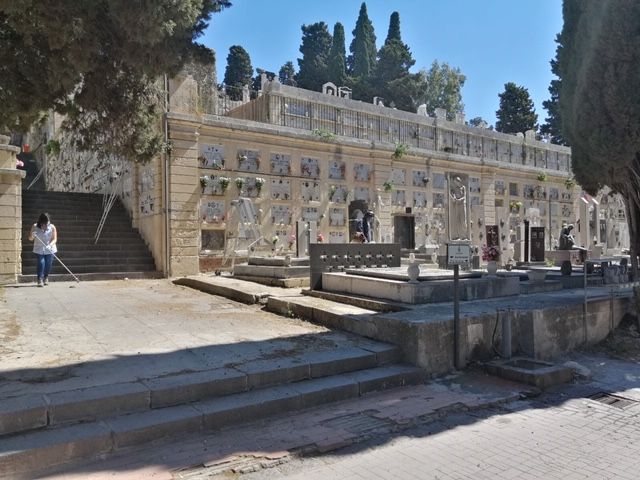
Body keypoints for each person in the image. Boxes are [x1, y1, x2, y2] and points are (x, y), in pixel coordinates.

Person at [28, 213, 57, 287]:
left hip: (50, 248)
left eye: (47, 223)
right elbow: (30, 239)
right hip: (39, 248)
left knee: (48, 263)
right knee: (41, 262)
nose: (45, 225)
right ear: (40, 222)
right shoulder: (35, 226)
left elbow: (54, 239)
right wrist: (32, 236)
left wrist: (50, 245)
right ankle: (39, 279)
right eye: (44, 223)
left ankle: (46, 277)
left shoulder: (52, 227)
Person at [448, 176, 468, 240]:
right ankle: (458, 236)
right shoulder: (455, 188)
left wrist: (459, 200)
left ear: (459, 181)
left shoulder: (463, 188)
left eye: (457, 182)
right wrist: (454, 198)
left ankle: (464, 235)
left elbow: (464, 196)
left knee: (463, 220)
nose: (456, 184)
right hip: (457, 205)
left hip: (462, 204)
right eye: (455, 183)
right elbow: (452, 194)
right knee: (457, 220)